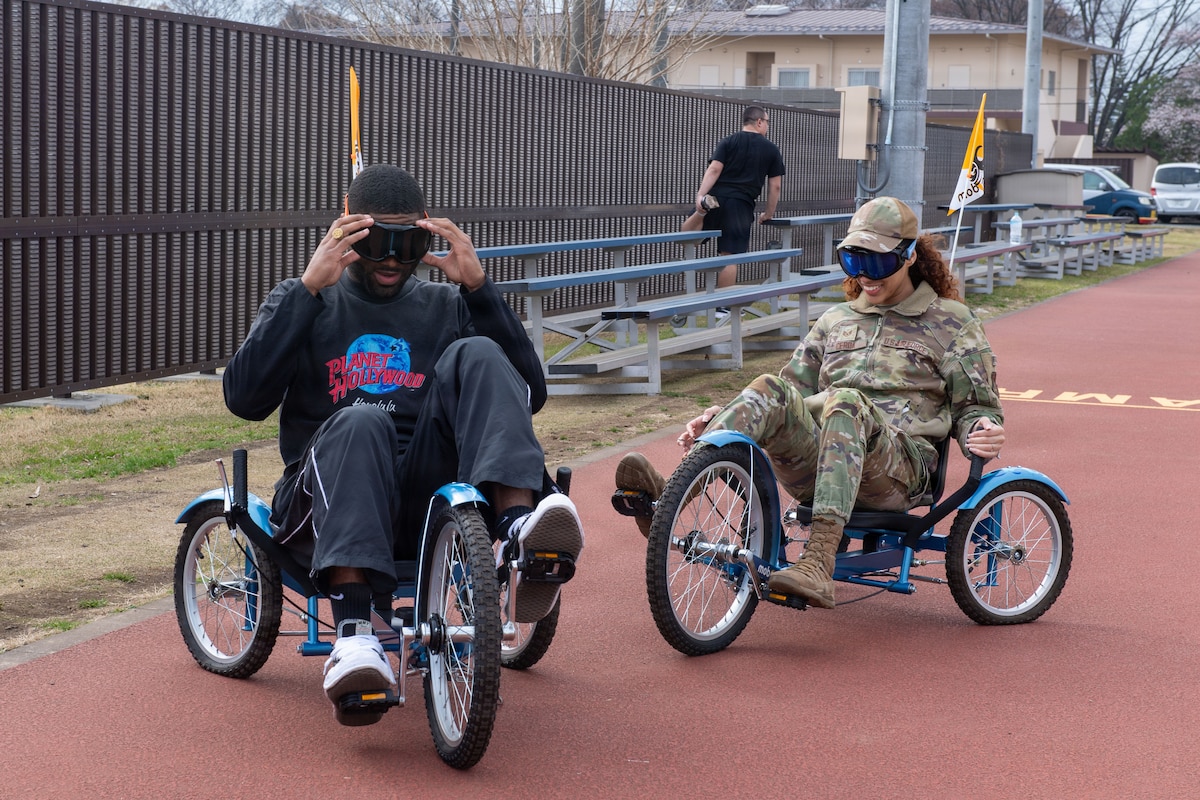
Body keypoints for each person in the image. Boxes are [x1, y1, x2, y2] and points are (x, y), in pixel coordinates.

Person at [223, 164, 584, 725]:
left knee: (481, 354)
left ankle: (518, 531)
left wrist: (480, 292)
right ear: (346, 232)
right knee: (362, 418)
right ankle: (355, 636)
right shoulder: (305, 301)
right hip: (324, 498)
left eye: (409, 242)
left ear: (427, 236)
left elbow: (528, 394)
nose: (393, 258)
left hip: (421, 495)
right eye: (376, 242)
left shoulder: (445, 306)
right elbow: (243, 399)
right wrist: (305, 290)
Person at [616, 196, 1004, 610]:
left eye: (876, 264)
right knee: (768, 386)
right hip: (822, 462)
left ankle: (818, 562)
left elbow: (976, 405)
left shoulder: (952, 321)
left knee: (847, 402)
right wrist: (721, 417)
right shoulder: (836, 320)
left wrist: (981, 429)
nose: (865, 277)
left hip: (898, 472)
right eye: (853, 262)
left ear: (908, 256)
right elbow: (790, 391)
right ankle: (670, 499)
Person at [681, 105, 786, 309]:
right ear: (759, 122)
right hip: (741, 204)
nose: (767, 126)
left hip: (716, 197)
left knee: (688, 240)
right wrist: (769, 213)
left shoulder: (728, 141)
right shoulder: (771, 149)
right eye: (767, 122)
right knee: (730, 256)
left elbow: (714, 169)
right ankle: (722, 307)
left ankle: (701, 211)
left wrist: (700, 195)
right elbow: (776, 185)